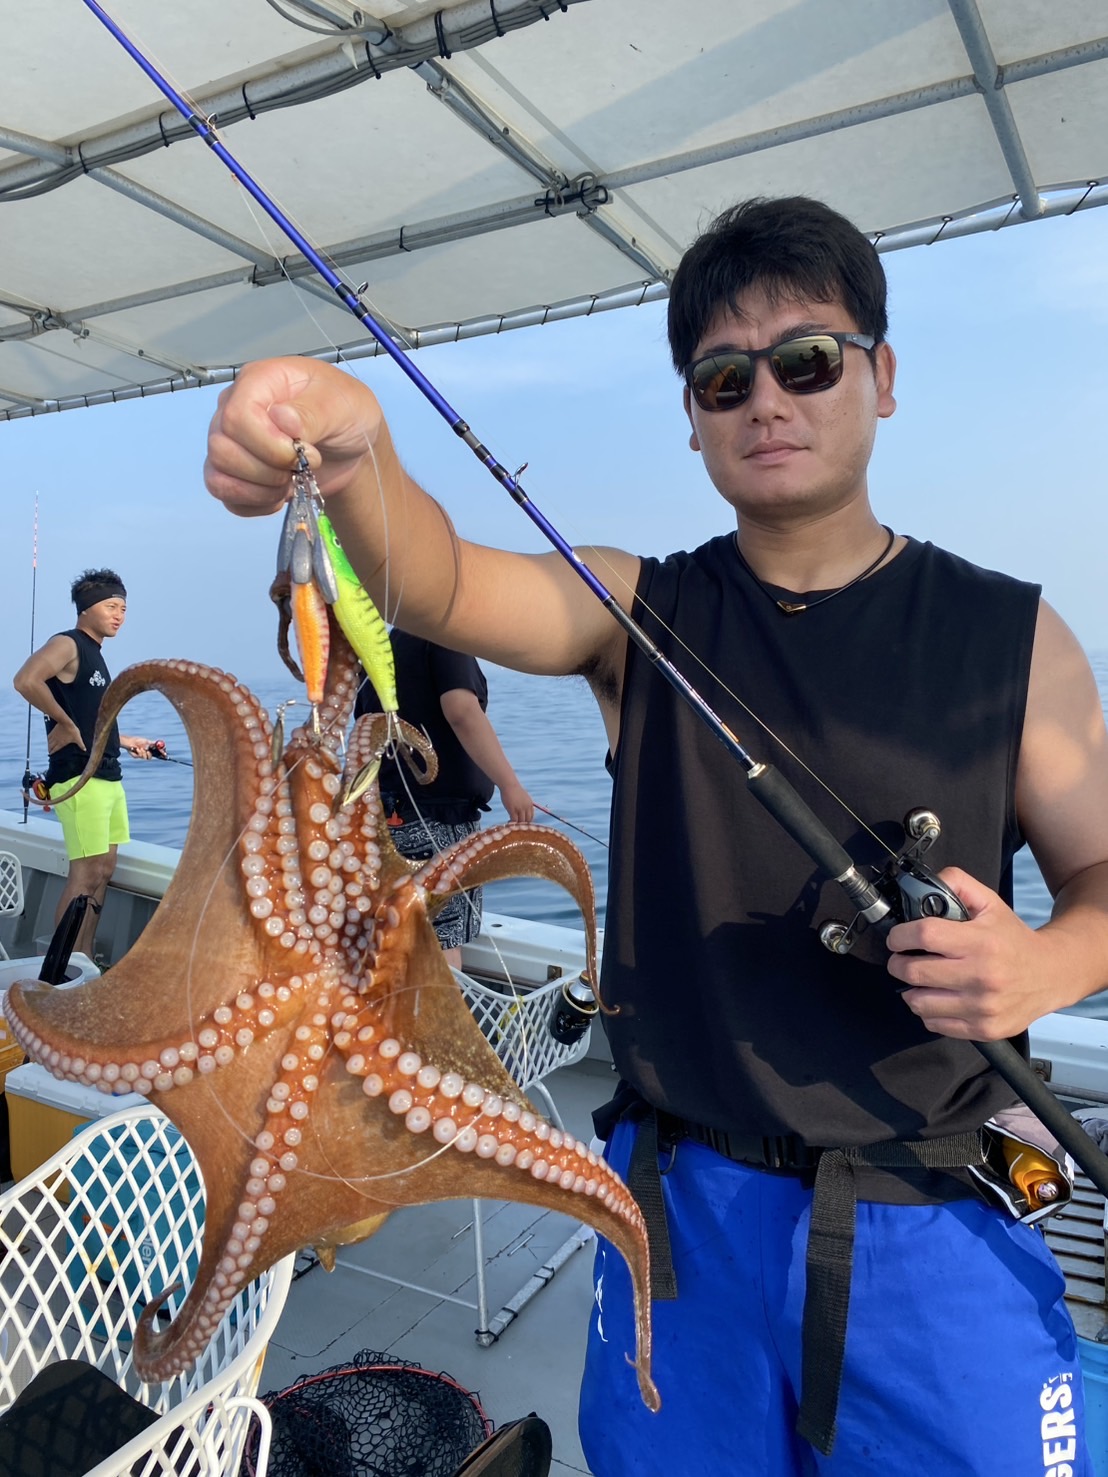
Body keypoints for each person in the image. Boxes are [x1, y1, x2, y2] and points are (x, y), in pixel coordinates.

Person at [202, 196, 1108, 1475]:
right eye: (723, 378)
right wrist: (351, 458)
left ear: (883, 376)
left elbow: (1098, 873)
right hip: (679, 1211)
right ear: (692, 417)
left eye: (807, 361)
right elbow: (440, 579)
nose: (765, 401)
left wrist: (1047, 964)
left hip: (933, 1207)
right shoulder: (635, 612)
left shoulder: (1013, 634)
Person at [355, 630, 534, 966]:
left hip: (386, 821)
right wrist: (510, 785)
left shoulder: (381, 647)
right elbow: (461, 710)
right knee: (441, 938)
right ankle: (443, 1002)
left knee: (397, 933)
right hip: (438, 822)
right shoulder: (444, 639)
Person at [13, 569, 154, 961]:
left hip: (108, 776)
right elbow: (25, 680)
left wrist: (125, 740)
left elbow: (89, 717)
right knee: (85, 874)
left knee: (104, 871)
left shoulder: (97, 655)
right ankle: (60, 969)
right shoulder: (68, 643)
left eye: (123, 608)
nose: (119, 614)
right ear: (86, 609)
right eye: (111, 606)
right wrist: (62, 721)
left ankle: (84, 960)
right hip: (79, 778)